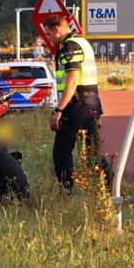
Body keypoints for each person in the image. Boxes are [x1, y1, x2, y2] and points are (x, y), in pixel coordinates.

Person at [43, 14, 105, 191]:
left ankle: (66, 192)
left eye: (48, 34)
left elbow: (72, 81)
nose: (48, 38)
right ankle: (111, 190)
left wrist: (59, 110)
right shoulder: (82, 42)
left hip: (77, 105)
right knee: (93, 153)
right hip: (92, 102)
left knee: (62, 151)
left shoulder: (70, 47)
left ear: (57, 29)